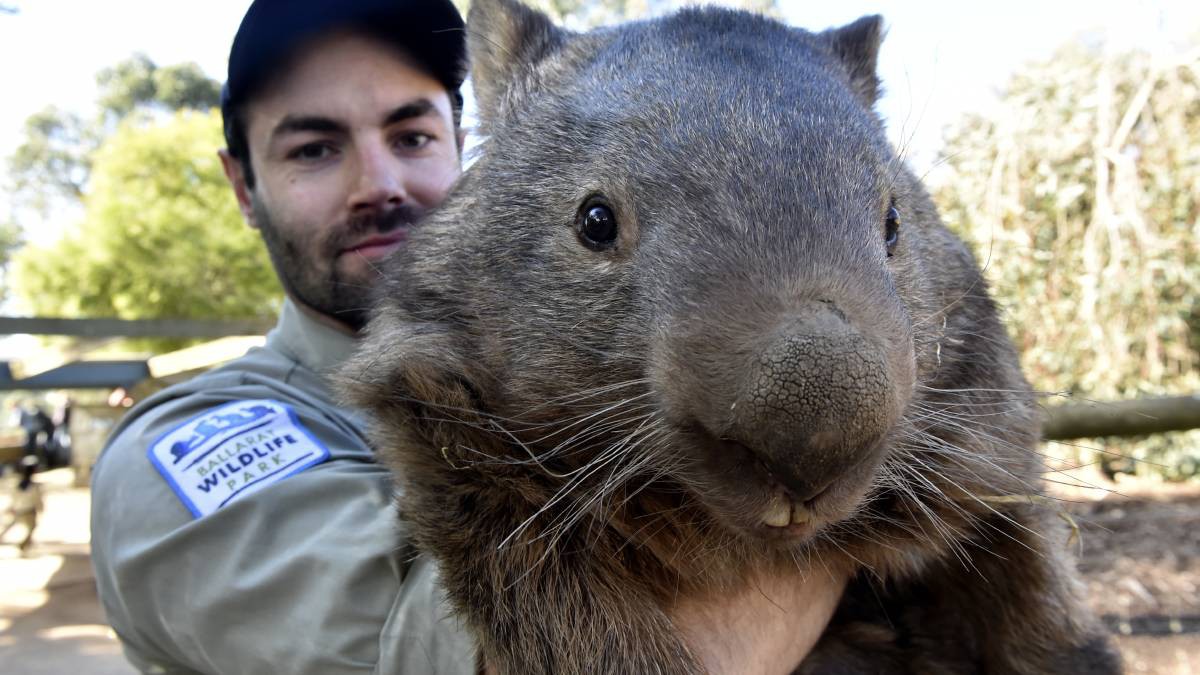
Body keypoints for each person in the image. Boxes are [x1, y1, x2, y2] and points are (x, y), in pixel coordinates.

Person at [90, 1, 844, 673]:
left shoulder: (575, 361)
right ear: (242, 187)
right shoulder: (177, 452)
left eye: (412, 135)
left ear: (469, 147)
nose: (379, 182)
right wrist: (859, 527)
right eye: (314, 149)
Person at [1, 455, 44, 555]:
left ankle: (23, 545)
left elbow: (14, 497)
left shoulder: (19, 484)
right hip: (28, 511)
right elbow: (37, 499)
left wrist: (11, 507)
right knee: (31, 527)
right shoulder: (33, 486)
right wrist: (41, 508)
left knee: (9, 527)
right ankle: (23, 545)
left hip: (18, 510)